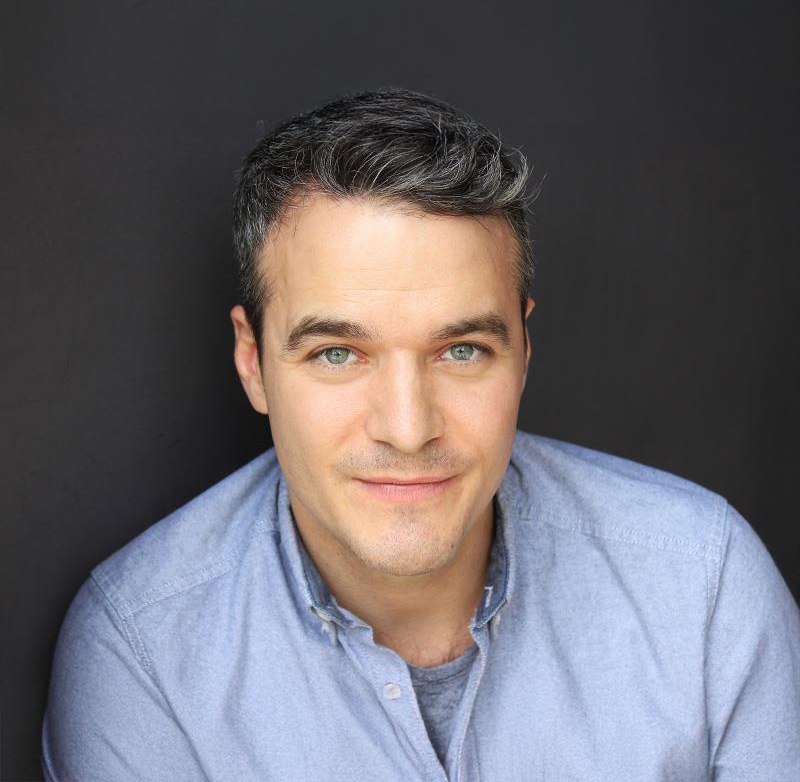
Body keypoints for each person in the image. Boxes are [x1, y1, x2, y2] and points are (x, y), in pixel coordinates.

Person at [42, 88, 800, 781]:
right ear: (253, 363)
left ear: (523, 351)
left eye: (461, 351)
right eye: (337, 354)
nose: (408, 430)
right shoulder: (140, 654)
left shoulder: (703, 585)